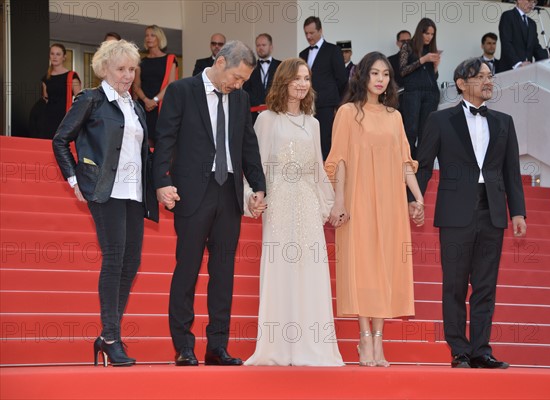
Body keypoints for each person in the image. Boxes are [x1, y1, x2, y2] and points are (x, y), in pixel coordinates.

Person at [153, 40, 267, 367]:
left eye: (244, 80)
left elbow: (248, 145)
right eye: (236, 77)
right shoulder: (181, 91)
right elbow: (166, 139)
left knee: (223, 274)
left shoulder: (241, 99)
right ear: (219, 62)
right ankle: (183, 345)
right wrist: (162, 180)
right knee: (187, 269)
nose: (238, 84)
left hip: (228, 193)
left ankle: (217, 345)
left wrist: (259, 186)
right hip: (192, 192)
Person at [411, 58, 527, 369]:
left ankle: (481, 351)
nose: (489, 81)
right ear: (462, 84)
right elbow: (423, 165)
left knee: (486, 286)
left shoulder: (504, 122)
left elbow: (511, 172)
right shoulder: (440, 120)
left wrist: (518, 212)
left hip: (492, 211)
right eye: (480, 77)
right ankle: (459, 350)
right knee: (455, 285)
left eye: (490, 76)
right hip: (455, 212)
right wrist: (414, 198)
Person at [52, 39, 158, 367]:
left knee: (132, 263)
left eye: (131, 69)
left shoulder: (134, 106)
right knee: (114, 259)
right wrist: (74, 181)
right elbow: (61, 139)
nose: (128, 75)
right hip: (105, 190)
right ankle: (112, 338)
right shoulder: (91, 99)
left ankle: (105, 335)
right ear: (104, 70)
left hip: (134, 192)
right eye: (121, 69)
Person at [326, 52, 425, 367]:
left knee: (385, 269)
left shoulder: (394, 116)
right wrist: (339, 200)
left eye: (386, 74)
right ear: (362, 76)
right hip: (358, 199)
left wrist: (417, 197)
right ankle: (363, 338)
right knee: (363, 268)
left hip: (390, 201)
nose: (381, 79)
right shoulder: (347, 113)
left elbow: (405, 161)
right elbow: (339, 160)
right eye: (375, 73)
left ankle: (379, 342)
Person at [244, 58, 344, 366]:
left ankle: (311, 346)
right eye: (297, 78)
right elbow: (255, 165)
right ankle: (277, 347)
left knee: (309, 271)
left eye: (307, 78)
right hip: (279, 201)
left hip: (308, 202)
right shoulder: (266, 120)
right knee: (280, 271)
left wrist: (330, 205)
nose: (302, 84)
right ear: (283, 80)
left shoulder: (313, 123)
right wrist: (251, 196)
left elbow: (316, 168)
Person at [299, 16, 347, 160]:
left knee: (325, 141)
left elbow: (342, 79)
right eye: (306, 33)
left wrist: (334, 102)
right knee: (308, 140)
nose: (308, 36)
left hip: (327, 105)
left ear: (320, 30)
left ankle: (328, 177)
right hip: (306, 105)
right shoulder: (303, 54)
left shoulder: (333, 50)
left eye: (312, 33)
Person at [399, 18, 441, 157]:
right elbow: (403, 71)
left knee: (426, 131)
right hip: (413, 92)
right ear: (420, 32)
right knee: (411, 129)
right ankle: (407, 162)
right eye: (427, 33)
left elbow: (433, 77)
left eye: (432, 34)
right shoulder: (408, 46)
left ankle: (422, 166)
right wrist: (423, 60)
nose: (429, 37)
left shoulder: (431, 49)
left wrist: (435, 67)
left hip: (431, 93)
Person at [133, 25, 178, 143]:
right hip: (144, 107)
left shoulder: (170, 59)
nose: (149, 38)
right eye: (147, 35)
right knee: (144, 143)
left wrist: (155, 100)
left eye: (152, 35)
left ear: (159, 38)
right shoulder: (141, 62)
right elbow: (136, 85)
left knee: (162, 143)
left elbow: (171, 84)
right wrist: (146, 100)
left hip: (161, 107)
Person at [41, 43, 81, 139]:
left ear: (64, 57)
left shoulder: (72, 77)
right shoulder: (46, 78)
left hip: (65, 119)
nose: (54, 57)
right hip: (47, 120)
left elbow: (80, 101)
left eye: (58, 54)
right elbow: (45, 99)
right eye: (52, 54)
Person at [497, 0, 549, 73]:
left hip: (528, 70)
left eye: (534, 2)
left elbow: (535, 47)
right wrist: (518, 64)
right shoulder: (508, 16)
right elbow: (506, 42)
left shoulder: (532, 23)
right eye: (529, 0)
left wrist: (548, 60)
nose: (531, 4)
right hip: (510, 69)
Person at [242, 33, 281, 123]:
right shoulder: (249, 67)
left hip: (275, 113)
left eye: (263, 45)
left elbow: (283, 88)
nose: (260, 48)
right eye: (258, 45)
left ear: (271, 47)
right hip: (255, 115)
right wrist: (259, 105)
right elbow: (246, 89)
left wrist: (270, 105)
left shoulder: (280, 66)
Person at [387, 30, 412, 113]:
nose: (406, 43)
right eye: (403, 41)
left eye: (409, 41)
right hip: (398, 101)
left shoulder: (418, 59)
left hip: (416, 100)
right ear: (397, 43)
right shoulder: (390, 60)